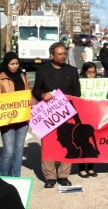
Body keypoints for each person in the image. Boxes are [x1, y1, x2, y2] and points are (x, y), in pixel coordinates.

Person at [32, 42, 81, 188]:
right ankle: (50, 177)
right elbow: (35, 89)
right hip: (48, 114)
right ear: (52, 55)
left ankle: (64, 175)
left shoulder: (72, 71)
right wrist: (42, 94)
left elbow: (77, 94)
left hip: (67, 113)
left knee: (68, 143)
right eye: (59, 54)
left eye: (64, 53)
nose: (63, 56)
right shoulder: (42, 70)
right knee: (48, 144)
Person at [0, 52, 33, 177]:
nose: (14, 66)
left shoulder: (22, 76)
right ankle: (2, 177)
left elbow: (28, 92)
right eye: (12, 64)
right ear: (6, 64)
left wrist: (31, 99)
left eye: (16, 63)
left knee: (19, 150)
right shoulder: (1, 78)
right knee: (8, 152)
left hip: (22, 119)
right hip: (7, 120)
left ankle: (16, 177)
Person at [77, 62, 99, 178]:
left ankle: (90, 167)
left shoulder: (99, 83)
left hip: (94, 115)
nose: (92, 74)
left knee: (92, 142)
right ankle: (81, 168)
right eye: (89, 72)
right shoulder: (80, 83)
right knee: (82, 142)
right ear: (84, 72)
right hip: (82, 116)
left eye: (93, 72)